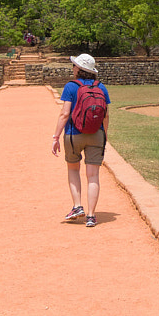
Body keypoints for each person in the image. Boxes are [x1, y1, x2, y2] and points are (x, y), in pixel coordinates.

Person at [52, 53, 109, 226]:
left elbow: (65, 114)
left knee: (73, 170)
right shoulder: (102, 87)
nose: (73, 68)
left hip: (73, 134)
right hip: (96, 134)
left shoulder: (71, 87)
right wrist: (104, 136)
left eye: (74, 65)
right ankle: (91, 216)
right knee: (93, 176)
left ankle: (78, 206)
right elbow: (105, 116)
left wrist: (56, 136)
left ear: (79, 69)